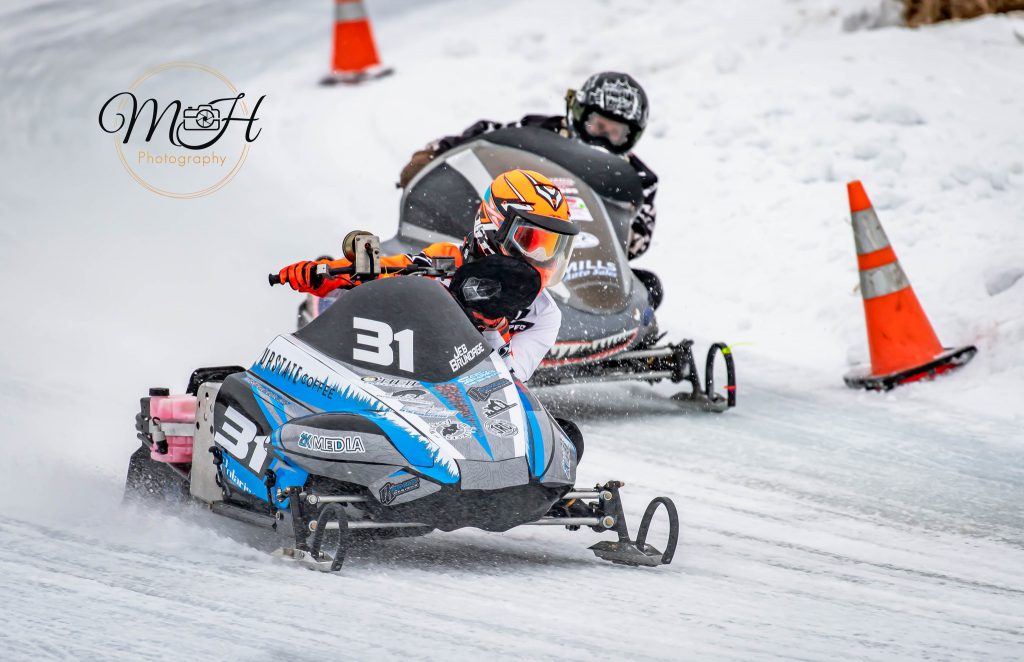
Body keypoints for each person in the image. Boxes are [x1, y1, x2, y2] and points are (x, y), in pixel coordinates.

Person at [278, 168, 579, 383]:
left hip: (467, 408)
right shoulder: (443, 262)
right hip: (403, 382)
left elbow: (509, 386)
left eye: (555, 247)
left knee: (564, 439)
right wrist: (328, 275)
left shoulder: (544, 315)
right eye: (532, 242)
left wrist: (493, 326)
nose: (545, 259)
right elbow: (383, 269)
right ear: (493, 227)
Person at [397, 71, 663, 309]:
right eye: (599, 125)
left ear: (631, 137)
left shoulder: (637, 178)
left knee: (648, 287)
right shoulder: (540, 131)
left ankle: (608, 320)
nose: (603, 137)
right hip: (521, 238)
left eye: (617, 133)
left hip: (585, 258)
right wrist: (432, 155)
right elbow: (485, 136)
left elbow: (638, 241)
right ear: (579, 113)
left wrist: (613, 227)